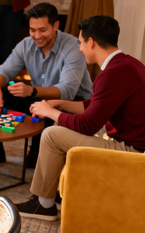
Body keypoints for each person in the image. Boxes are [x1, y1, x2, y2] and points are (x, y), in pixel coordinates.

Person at [15, 16, 145, 220]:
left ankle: (43, 205)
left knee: (51, 134)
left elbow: (87, 125)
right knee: (59, 123)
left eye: (81, 42)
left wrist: (49, 111)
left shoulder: (113, 73)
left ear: (91, 41)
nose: (80, 48)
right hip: (134, 143)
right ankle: (53, 194)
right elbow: (95, 105)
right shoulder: (127, 64)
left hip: (132, 152)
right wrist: (59, 104)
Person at [0, 2, 92, 168]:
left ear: (56, 26)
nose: (37, 36)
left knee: (45, 102)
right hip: (38, 96)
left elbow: (67, 91)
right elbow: (2, 71)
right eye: (32, 30)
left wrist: (31, 91)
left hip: (74, 102)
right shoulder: (26, 44)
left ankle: (37, 152)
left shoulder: (73, 47)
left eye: (42, 30)